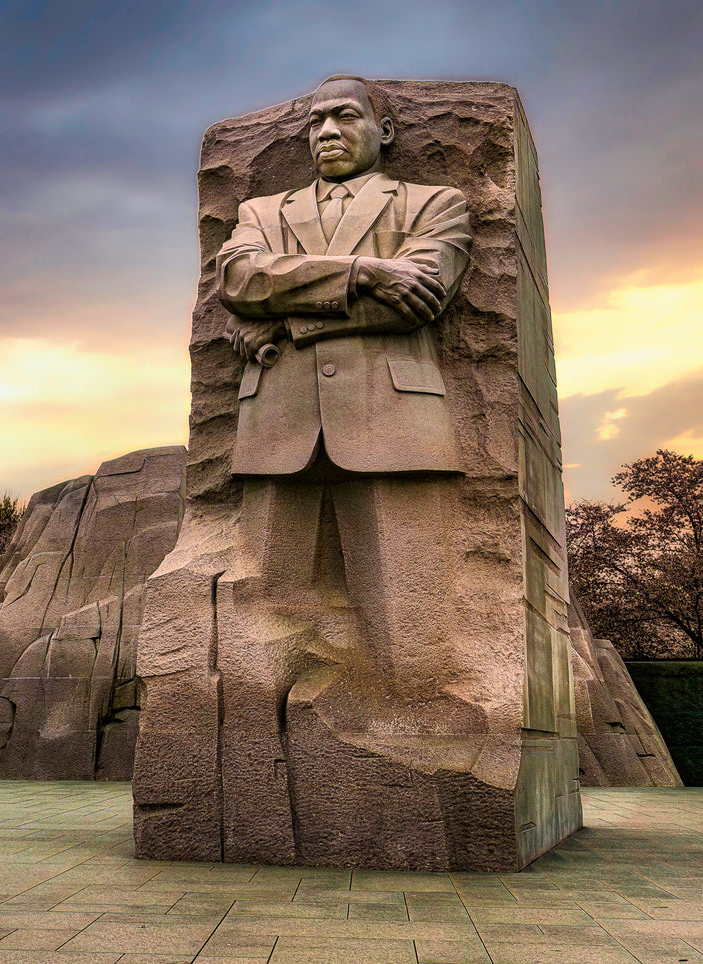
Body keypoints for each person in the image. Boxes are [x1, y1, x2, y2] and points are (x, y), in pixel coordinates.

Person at [211, 75, 489, 867]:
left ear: (384, 128)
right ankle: (254, 767)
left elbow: (424, 295)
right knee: (259, 601)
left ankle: (420, 761)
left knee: (407, 617)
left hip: (393, 419)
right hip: (278, 425)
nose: (326, 130)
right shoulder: (261, 214)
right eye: (314, 120)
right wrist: (365, 273)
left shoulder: (433, 204)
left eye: (344, 115)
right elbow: (237, 281)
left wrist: (287, 317)